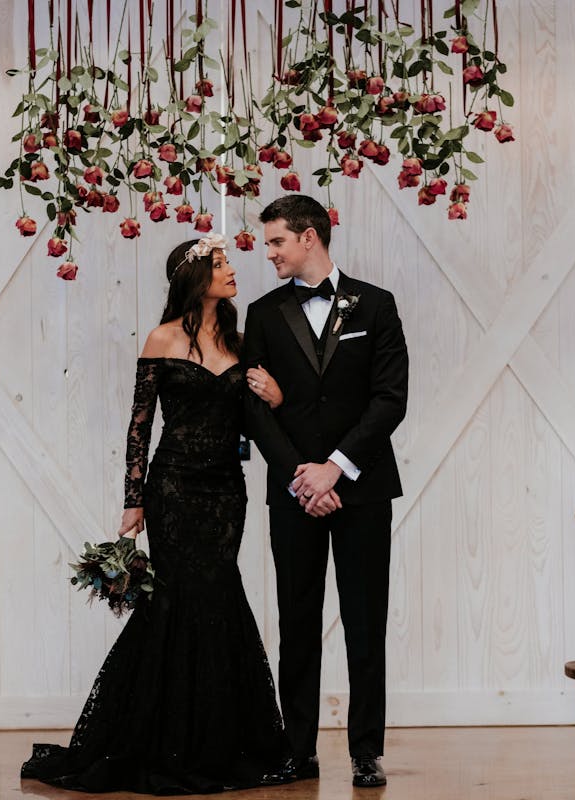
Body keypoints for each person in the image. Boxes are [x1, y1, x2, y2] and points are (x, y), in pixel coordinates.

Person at [21, 234, 291, 794]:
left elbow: (251, 424)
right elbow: (139, 424)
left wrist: (278, 399)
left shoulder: (243, 344)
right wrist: (133, 498)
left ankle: (218, 740)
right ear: (195, 278)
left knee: (218, 596)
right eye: (221, 263)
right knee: (172, 602)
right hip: (172, 490)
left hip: (225, 493)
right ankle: (158, 738)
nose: (233, 268)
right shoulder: (161, 338)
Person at [242, 194, 409, 789]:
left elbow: (390, 400)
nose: (269, 254)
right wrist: (300, 477)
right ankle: (298, 749)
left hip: (361, 490)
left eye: (276, 242)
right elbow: (254, 412)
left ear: (309, 237)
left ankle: (367, 749)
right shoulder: (260, 315)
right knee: (297, 619)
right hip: (293, 494)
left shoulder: (378, 305)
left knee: (367, 622)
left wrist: (334, 468)